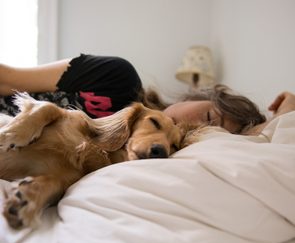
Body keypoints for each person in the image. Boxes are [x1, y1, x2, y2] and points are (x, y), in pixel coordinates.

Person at [0, 54, 294, 135]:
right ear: (194, 97)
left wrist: (283, 117)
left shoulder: (146, 155)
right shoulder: (116, 77)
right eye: (208, 117)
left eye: (211, 133)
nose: (199, 128)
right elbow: (8, 78)